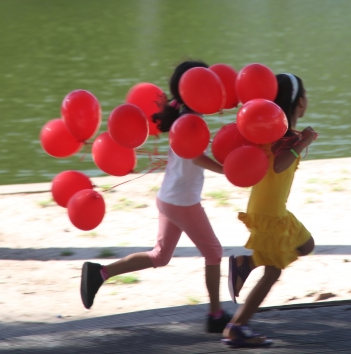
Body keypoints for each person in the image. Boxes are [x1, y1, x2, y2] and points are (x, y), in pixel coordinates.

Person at [79, 60, 232, 334]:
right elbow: (195, 156)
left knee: (160, 256)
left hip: (170, 198)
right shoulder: (190, 121)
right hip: (182, 201)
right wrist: (225, 169)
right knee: (214, 252)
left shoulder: (185, 117)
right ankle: (216, 314)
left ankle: (99, 273)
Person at [223, 73, 318, 348]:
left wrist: (299, 140)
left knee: (306, 245)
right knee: (273, 272)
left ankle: (247, 263)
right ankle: (236, 327)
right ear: (300, 103)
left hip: (275, 209)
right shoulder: (277, 136)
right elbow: (278, 165)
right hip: (269, 214)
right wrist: (302, 143)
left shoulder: (278, 132)